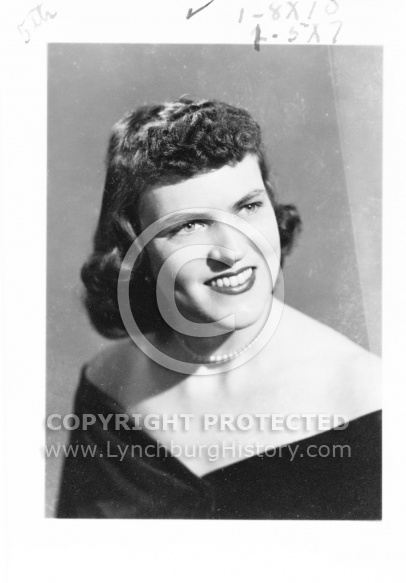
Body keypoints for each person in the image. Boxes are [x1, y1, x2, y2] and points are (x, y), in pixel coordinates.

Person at [57, 98, 381, 519]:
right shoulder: (107, 384)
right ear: (135, 247)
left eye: (248, 207)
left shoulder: (366, 398)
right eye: (189, 225)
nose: (232, 250)